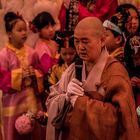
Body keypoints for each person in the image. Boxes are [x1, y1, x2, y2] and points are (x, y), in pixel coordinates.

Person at [46, 17, 140, 140]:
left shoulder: (115, 72)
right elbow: (51, 100)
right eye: (77, 41)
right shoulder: (74, 68)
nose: (80, 47)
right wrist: (66, 97)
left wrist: (80, 103)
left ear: (102, 40)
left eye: (85, 41)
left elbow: (122, 121)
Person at [0, 12, 45, 140]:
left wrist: (35, 74)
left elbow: (40, 71)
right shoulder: (3, 55)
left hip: (32, 103)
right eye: (19, 30)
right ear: (9, 34)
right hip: (13, 104)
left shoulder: (32, 52)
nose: (24, 33)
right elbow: (2, 80)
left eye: (25, 30)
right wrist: (20, 75)